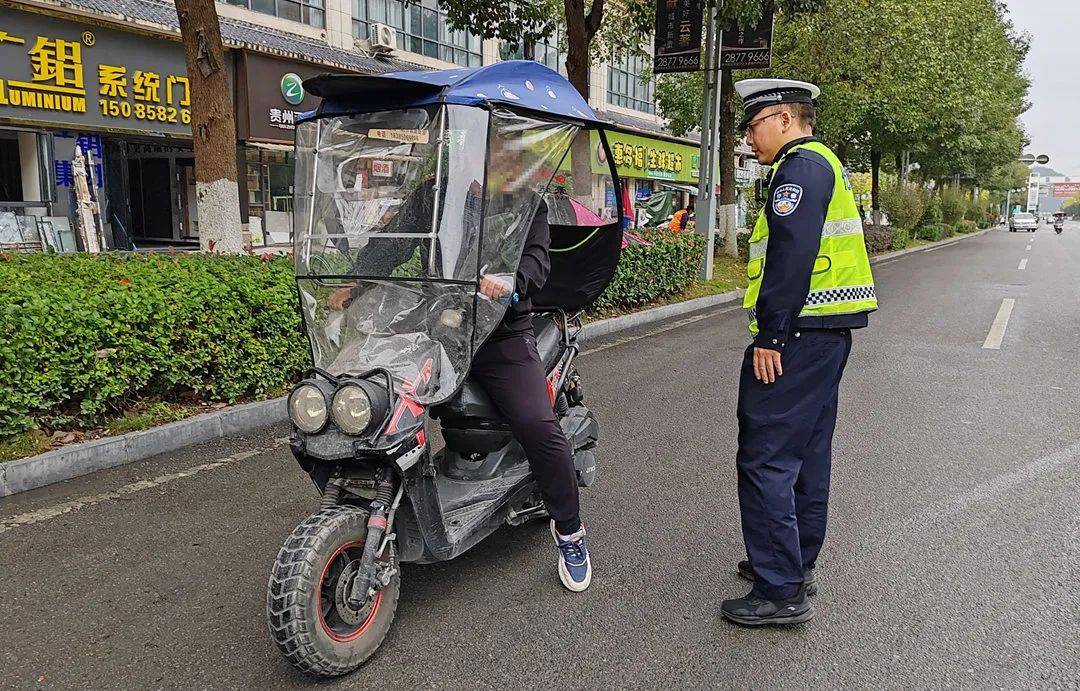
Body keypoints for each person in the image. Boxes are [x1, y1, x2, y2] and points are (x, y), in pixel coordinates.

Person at [326, 161, 592, 594]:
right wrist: (356, 282)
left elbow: (537, 263)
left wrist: (509, 283)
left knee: (537, 426)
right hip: (438, 327)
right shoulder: (435, 194)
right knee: (379, 395)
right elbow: (393, 244)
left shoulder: (525, 200)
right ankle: (382, 498)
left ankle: (571, 532)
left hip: (499, 335)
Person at [720, 79, 878, 626]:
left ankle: (780, 591)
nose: (747, 137)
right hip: (823, 337)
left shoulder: (801, 167)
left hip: (798, 337)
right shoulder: (823, 165)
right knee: (808, 454)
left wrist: (770, 336)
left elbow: (790, 256)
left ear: (785, 119)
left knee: (766, 455)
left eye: (754, 124)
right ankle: (794, 565)